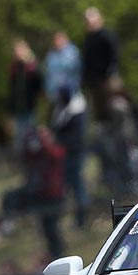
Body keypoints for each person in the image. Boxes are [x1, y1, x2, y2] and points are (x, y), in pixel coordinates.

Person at [22, 126, 66, 258]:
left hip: (54, 194)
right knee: (44, 227)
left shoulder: (56, 150)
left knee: (53, 226)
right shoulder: (36, 154)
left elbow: (56, 156)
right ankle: (51, 252)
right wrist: (29, 137)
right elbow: (26, 155)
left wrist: (44, 142)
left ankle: (58, 251)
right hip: (40, 194)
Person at [50, 86, 89, 227]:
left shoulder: (75, 112)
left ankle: (82, 218)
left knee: (77, 185)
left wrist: (61, 141)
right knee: (68, 187)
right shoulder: (60, 110)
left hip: (74, 153)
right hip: (64, 155)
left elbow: (75, 137)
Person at [81, 7, 119, 123]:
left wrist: (110, 72)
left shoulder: (107, 36)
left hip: (108, 78)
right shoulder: (89, 39)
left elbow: (114, 56)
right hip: (94, 80)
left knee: (116, 106)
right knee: (100, 111)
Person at [8, 39, 42, 153]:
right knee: (19, 139)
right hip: (18, 108)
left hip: (30, 107)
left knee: (32, 138)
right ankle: (22, 163)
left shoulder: (32, 67)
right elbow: (12, 91)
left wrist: (29, 63)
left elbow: (39, 84)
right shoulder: (14, 68)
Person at [44, 30, 82, 100]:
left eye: (60, 39)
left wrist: (74, 87)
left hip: (71, 92)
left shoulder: (73, 53)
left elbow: (77, 71)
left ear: (66, 40)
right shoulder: (51, 55)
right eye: (56, 40)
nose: (58, 42)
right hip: (55, 93)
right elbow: (48, 74)